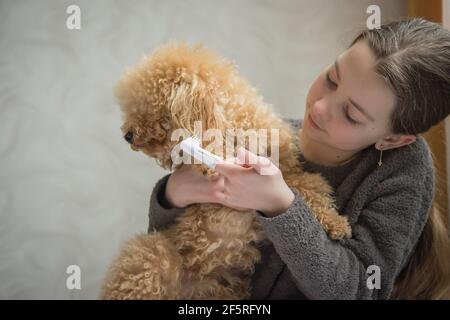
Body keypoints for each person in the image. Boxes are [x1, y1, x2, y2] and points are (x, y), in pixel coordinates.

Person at [147, 18, 450, 299]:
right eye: (332, 79)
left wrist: (280, 206)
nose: (319, 107)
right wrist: (171, 195)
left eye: (351, 114)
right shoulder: (271, 137)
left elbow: (359, 289)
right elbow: (176, 245)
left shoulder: (403, 169)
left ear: (392, 138)